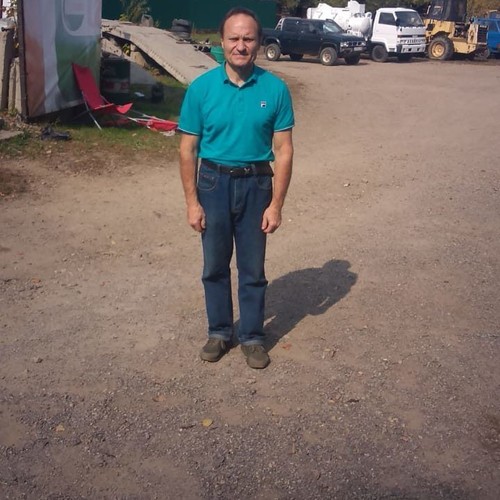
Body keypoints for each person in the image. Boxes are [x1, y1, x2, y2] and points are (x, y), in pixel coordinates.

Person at [178, 7, 294, 369]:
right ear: (221, 41)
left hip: (257, 184)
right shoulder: (201, 89)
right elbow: (187, 149)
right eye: (234, 38)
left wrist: (276, 205)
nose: (240, 46)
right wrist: (192, 202)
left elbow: (284, 150)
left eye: (248, 38)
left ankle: (253, 337)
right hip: (213, 183)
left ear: (258, 42)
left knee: (252, 269)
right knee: (214, 265)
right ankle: (219, 332)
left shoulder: (275, 89)